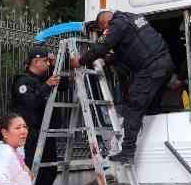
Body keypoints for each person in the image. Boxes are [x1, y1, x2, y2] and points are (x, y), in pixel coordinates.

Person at [69, 10, 175, 164]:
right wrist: (107, 61)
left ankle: (127, 152)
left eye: (102, 29)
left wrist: (80, 61)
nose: (104, 32)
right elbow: (128, 48)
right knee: (149, 106)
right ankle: (146, 140)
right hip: (164, 64)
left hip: (151, 68)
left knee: (133, 107)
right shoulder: (132, 18)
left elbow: (102, 46)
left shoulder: (117, 24)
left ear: (105, 23)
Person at [9, 47, 61, 185]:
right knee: (30, 174)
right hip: (30, 136)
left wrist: (55, 68)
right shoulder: (23, 81)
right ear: (36, 61)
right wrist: (46, 86)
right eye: (46, 61)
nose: (47, 64)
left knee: (50, 170)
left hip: (46, 134)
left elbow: (65, 85)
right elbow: (29, 103)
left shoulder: (43, 80)